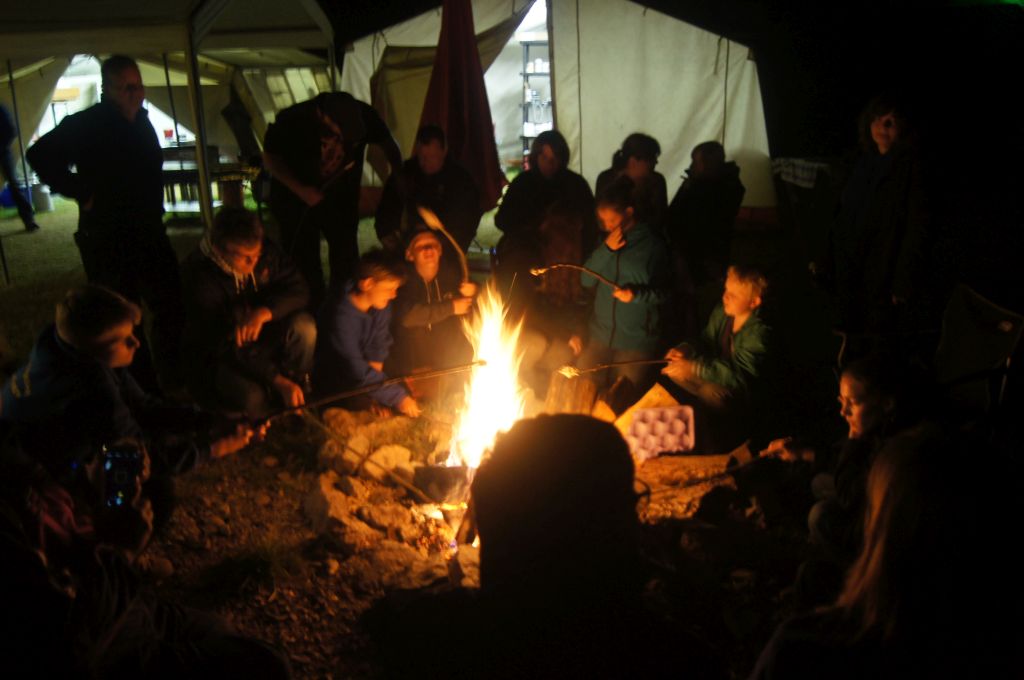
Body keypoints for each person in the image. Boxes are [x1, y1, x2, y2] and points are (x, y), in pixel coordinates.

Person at [368, 414, 726, 678]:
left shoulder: (439, 644)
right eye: (633, 505)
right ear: (615, 531)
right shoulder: (683, 664)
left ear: (496, 531)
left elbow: (386, 625)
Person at [750, 425, 1018, 679]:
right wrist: (808, 453)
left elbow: (851, 494)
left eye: (875, 507)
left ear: (888, 528)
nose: (844, 410)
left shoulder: (798, 648)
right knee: (812, 570)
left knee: (819, 522)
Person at [0, 285, 255, 518]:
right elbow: (141, 455)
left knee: (156, 441)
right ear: (93, 351)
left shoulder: (60, 341)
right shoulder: (90, 389)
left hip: (46, 438)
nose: (137, 342)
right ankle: (101, 527)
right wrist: (215, 448)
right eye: (124, 340)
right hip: (34, 472)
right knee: (155, 493)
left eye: (131, 333)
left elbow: (143, 407)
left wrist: (209, 419)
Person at [27, 55, 182, 394]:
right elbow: (39, 155)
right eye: (126, 87)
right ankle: (141, 389)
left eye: (138, 85)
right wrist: (78, 190)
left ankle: (172, 374)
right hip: (107, 235)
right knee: (122, 313)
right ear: (107, 89)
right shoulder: (87, 124)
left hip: (148, 229)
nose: (135, 93)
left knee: (171, 301)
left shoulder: (141, 121)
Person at [263, 91, 403, 309]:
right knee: (305, 262)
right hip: (296, 201)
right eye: (342, 133)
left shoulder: (364, 115)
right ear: (325, 118)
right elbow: (270, 158)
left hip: (341, 199)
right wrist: (301, 190)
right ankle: (312, 313)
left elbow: (388, 143)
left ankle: (345, 313)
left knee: (345, 258)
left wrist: (398, 175)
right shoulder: (294, 119)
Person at [179, 207, 316, 418]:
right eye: (244, 257)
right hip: (220, 357)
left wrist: (264, 312)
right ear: (219, 250)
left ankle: (296, 398)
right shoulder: (200, 280)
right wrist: (276, 379)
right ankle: (261, 424)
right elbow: (224, 345)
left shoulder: (264, 251)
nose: (254, 263)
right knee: (253, 396)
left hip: (261, 338)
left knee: (304, 327)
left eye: (256, 254)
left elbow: (299, 290)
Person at [816, 95, 928, 333]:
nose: (882, 127)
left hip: (880, 266)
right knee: (845, 323)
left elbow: (915, 225)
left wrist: (903, 278)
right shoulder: (861, 160)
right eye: (878, 119)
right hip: (847, 258)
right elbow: (841, 210)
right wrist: (826, 254)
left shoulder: (910, 169)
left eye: (891, 122)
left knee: (874, 328)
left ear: (903, 127)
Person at [569, 176, 672, 395]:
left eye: (612, 220)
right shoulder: (605, 243)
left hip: (636, 340)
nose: (607, 226)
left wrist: (636, 294)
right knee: (582, 386)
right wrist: (606, 249)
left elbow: (666, 292)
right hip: (601, 335)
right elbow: (586, 280)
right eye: (602, 221)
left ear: (629, 212)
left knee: (623, 395)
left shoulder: (653, 245)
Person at [662, 264, 770, 452]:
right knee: (675, 371)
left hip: (742, 391)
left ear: (753, 302)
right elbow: (706, 340)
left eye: (733, 295)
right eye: (726, 290)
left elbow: (740, 376)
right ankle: (702, 421)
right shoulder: (723, 312)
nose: (725, 297)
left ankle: (725, 436)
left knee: (709, 392)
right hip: (715, 376)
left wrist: (694, 368)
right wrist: (686, 350)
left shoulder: (759, 333)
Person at [494, 130, 598, 316]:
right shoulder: (523, 183)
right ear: (536, 156)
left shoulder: (575, 185)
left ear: (562, 159)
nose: (550, 163)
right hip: (527, 250)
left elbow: (590, 224)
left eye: (555, 158)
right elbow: (502, 220)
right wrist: (533, 228)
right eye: (544, 157)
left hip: (567, 255)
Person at [314, 250, 421, 417]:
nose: (394, 295)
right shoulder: (340, 317)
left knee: (396, 381)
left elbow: (378, 344)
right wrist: (397, 398)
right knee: (361, 402)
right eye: (389, 289)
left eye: (396, 289)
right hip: (338, 373)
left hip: (363, 369)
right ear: (367, 284)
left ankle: (375, 396)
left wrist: (376, 391)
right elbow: (355, 369)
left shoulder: (379, 304)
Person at [374, 124, 481, 257]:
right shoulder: (406, 174)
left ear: (444, 151)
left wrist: (443, 243)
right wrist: (387, 234)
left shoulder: (461, 180)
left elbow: (467, 221)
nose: (425, 162)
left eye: (432, 157)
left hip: (446, 247)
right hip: (407, 245)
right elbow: (386, 208)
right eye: (421, 157)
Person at [386, 230, 475, 377]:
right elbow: (408, 317)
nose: (428, 249)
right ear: (409, 255)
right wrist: (452, 307)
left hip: (449, 357)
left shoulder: (453, 275)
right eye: (420, 246)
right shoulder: (402, 280)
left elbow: (479, 305)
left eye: (433, 244)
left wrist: (474, 292)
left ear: (440, 251)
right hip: (412, 358)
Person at [664, 141, 745, 287]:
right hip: (688, 252)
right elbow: (673, 214)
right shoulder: (697, 183)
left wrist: (690, 189)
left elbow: (698, 223)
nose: (691, 166)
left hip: (705, 255)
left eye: (695, 162)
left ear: (709, 164)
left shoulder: (725, 189)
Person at [595, 132, 668, 227]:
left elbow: (660, 220)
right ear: (633, 161)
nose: (655, 162)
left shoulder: (656, 181)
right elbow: (600, 219)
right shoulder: (606, 179)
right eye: (651, 159)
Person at [0, 103, 40, 232]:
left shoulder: (0, 109)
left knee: (14, 186)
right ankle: (29, 220)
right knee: (15, 186)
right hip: (4, 151)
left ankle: (29, 220)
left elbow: (11, 131)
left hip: (3, 152)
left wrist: (2, 146)